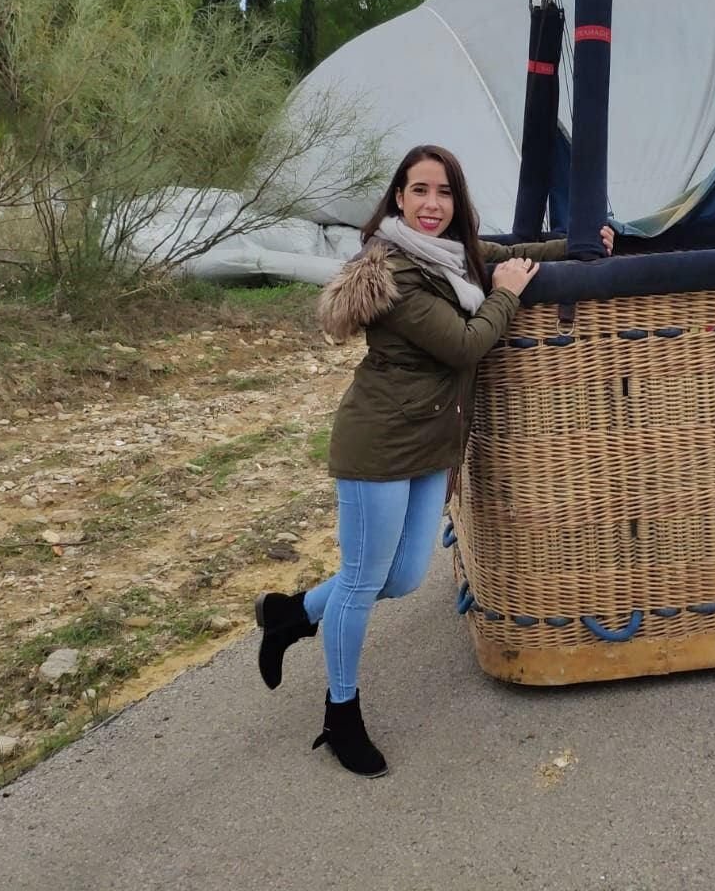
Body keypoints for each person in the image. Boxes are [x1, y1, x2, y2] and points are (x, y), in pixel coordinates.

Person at [252, 144, 614, 777]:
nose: (432, 204)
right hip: (380, 446)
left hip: (429, 444)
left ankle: (290, 614)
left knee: (405, 576)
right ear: (398, 196)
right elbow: (465, 343)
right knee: (364, 581)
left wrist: (579, 248)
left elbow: (500, 260)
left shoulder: (452, 258)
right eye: (420, 190)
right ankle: (341, 717)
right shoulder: (391, 272)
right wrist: (504, 297)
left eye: (444, 192)